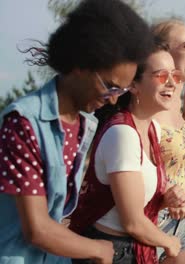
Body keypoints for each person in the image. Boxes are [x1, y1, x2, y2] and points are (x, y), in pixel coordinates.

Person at [0, 0, 153, 263]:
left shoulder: (84, 122)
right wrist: (98, 249)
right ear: (81, 64)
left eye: (122, 91)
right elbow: (37, 229)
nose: (114, 100)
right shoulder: (22, 123)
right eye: (111, 87)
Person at [69, 44, 185, 264]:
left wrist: (167, 197)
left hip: (131, 249)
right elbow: (132, 222)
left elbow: (136, 201)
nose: (171, 82)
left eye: (175, 74)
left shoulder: (153, 128)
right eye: (161, 75)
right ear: (133, 84)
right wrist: (169, 242)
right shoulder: (123, 134)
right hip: (110, 252)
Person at [151, 19, 185, 264]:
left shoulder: (176, 93)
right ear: (163, 51)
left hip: (180, 220)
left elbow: (175, 137)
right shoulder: (147, 97)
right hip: (149, 221)